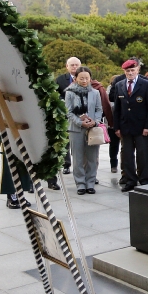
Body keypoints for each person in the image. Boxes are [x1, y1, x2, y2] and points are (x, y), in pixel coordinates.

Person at [113, 58, 148, 192]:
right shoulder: (119, 85)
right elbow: (117, 108)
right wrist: (117, 127)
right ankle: (130, 180)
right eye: (128, 71)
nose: (130, 73)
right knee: (127, 155)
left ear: (137, 70)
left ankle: (144, 179)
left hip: (141, 126)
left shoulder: (145, 84)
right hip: (125, 126)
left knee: (142, 155)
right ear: (124, 71)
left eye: (132, 70)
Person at [65, 67, 103, 195]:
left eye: (87, 78)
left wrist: (95, 121)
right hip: (76, 129)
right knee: (78, 158)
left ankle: (90, 182)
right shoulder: (70, 92)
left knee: (92, 157)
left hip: (92, 129)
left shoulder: (95, 93)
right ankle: (80, 183)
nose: (84, 80)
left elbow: (99, 109)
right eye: (81, 78)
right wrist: (80, 122)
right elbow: (68, 112)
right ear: (75, 79)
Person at [47, 56, 81, 188]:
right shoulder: (61, 80)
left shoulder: (85, 77)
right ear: (67, 67)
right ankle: (66, 164)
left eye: (76, 64)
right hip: (65, 116)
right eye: (72, 65)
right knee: (65, 141)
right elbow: (56, 95)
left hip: (80, 116)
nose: (74, 67)